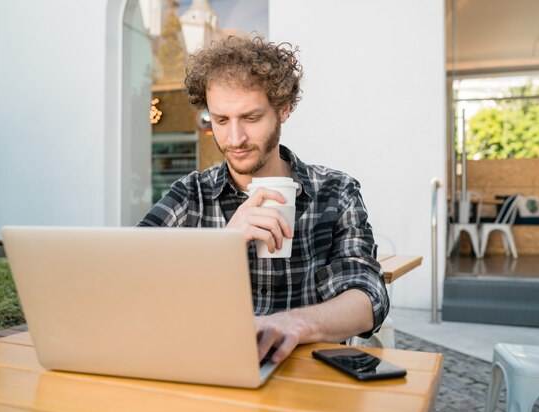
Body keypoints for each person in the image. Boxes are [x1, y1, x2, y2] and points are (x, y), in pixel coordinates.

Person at [138, 35, 389, 364]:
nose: (234, 138)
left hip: (309, 377)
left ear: (283, 109)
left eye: (251, 118)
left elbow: (369, 297)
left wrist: (293, 323)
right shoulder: (191, 194)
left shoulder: (335, 192)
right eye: (221, 120)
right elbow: (135, 278)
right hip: (212, 367)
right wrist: (225, 243)